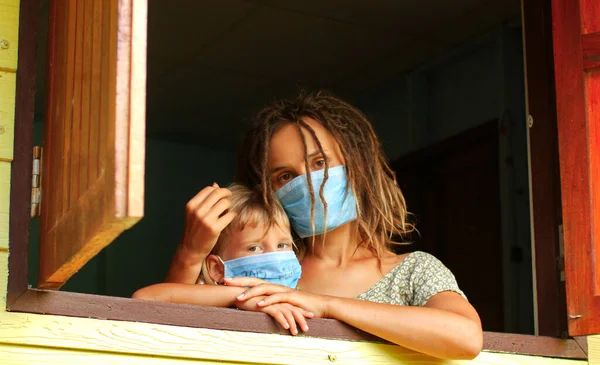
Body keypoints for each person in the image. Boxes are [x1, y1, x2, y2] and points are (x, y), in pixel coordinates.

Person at [166, 91, 483, 360]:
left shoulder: (414, 270)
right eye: (285, 176)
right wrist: (190, 254)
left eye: (319, 163)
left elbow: (466, 338)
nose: (309, 184)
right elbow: (164, 326)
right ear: (268, 190)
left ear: (357, 165)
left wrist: (327, 305)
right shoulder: (265, 268)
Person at [134, 184, 313, 335]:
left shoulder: (305, 303)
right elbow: (144, 298)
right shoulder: (215, 301)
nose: (274, 257)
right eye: (254, 248)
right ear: (217, 269)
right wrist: (243, 296)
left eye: (282, 245)